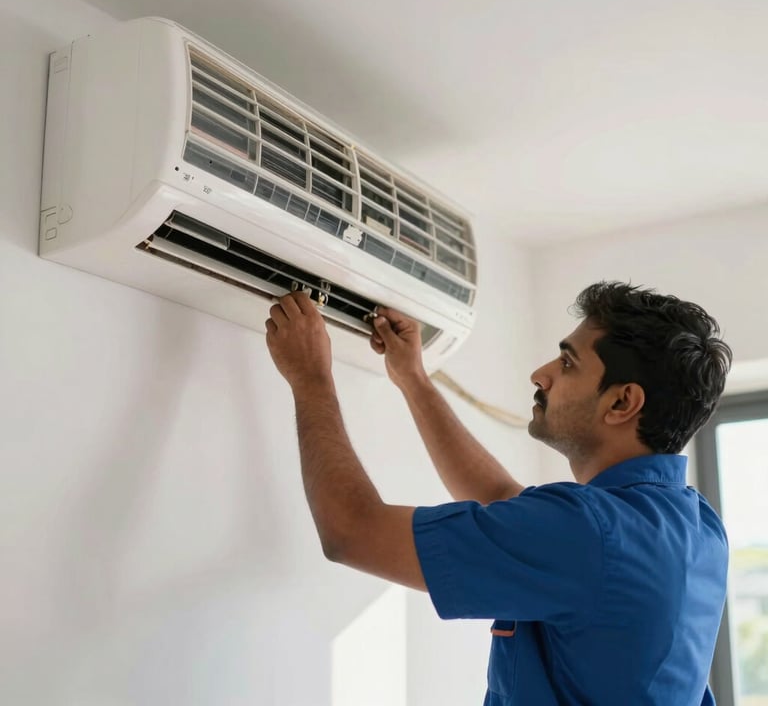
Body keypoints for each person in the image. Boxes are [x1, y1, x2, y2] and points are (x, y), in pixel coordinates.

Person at [264, 280, 732, 705]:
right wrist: (413, 379)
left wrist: (311, 378)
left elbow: (352, 531)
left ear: (622, 402)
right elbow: (503, 497)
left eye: (568, 363)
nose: (540, 374)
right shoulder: (698, 527)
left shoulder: (588, 531)